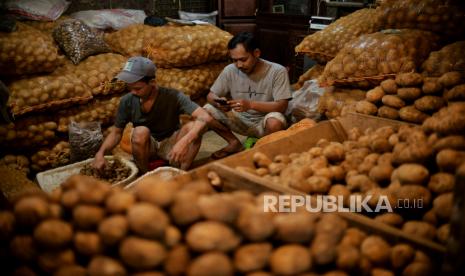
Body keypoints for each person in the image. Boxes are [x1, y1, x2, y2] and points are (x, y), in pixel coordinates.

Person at [92, 56, 215, 172]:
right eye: (130, 88)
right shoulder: (127, 101)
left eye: (138, 88)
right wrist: (100, 153)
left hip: (170, 143)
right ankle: (145, 174)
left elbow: (205, 116)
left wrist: (185, 141)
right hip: (147, 148)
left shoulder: (173, 96)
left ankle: (181, 172)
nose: (133, 92)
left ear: (152, 83)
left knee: (194, 128)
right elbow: (116, 133)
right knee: (140, 131)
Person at [204, 31, 292, 159]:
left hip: (263, 122)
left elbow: (282, 106)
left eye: (243, 59)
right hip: (239, 119)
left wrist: (250, 105)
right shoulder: (230, 70)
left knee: (275, 122)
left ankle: (263, 150)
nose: (239, 65)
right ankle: (234, 143)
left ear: (256, 53)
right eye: (234, 60)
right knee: (206, 110)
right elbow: (210, 95)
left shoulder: (277, 71)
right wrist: (217, 102)